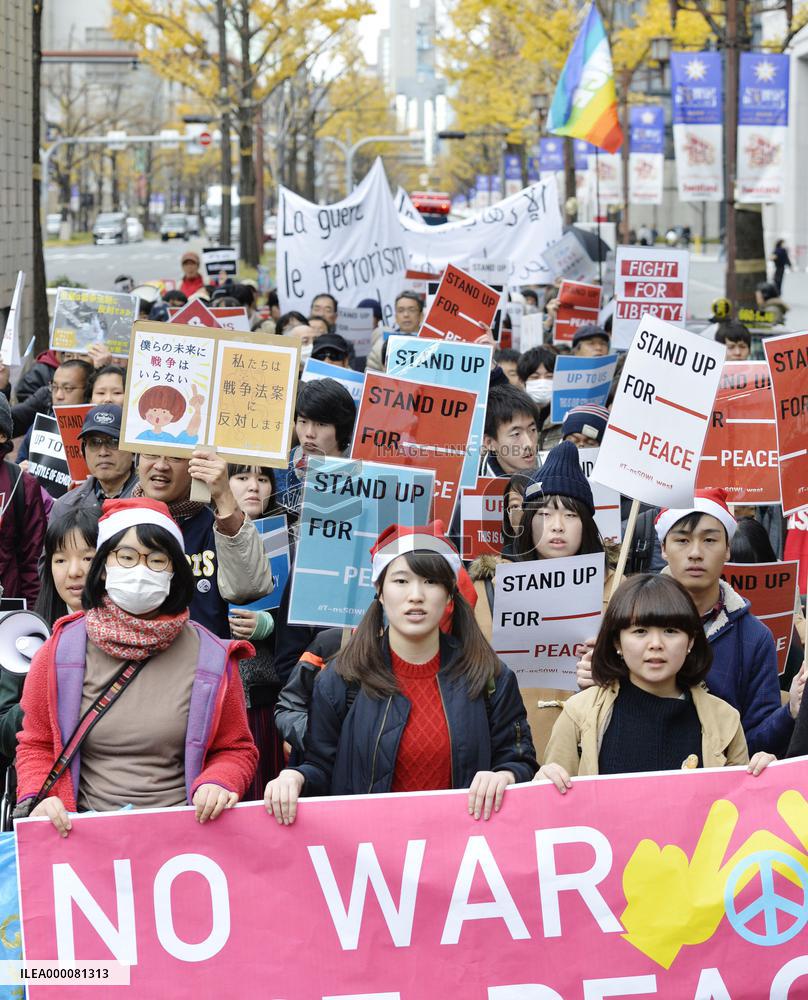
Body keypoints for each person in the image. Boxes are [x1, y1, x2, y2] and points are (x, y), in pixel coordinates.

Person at [264, 523, 537, 824]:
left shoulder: (489, 676)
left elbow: (519, 759)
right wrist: (295, 778)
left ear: (449, 595)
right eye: (401, 581)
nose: (416, 595)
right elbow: (321, 767)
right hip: (370, 857)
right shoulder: (342, 679)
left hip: (464, 856)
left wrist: (507, 775)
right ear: (380, 591)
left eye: (431, 581)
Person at [16, 498, 258, 835]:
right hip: (83, 837)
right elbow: (36, 745)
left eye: (157, 560)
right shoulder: (59, 652)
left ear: (175, 571)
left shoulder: (212, 656)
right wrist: (41, 797)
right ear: (102, 566)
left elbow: (236, 748)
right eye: (127, 557)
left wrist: (218, 782)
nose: (141, 571)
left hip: (182, 837)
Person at [578, 489, 802, 757]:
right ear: (663, 547)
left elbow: (752, 744)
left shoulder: (754, 637)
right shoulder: (626, 619)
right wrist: (597, 683)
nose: (695, 553)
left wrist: (791, 713)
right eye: (682, 540)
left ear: (728, 548)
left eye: (709, 540)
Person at [537, 574, 774, 791]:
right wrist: (541, 786)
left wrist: (766, 782)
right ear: (617, 642)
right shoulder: (579, 714)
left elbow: (738, 815)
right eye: (640, 631)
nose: (656, 644)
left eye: (670, 631)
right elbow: (554, 815)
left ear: (691, 640)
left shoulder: (725, 720)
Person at [135, 449, 273, 638]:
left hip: (203, 662)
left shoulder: (218, 525)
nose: (161, 465)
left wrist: (224, 496)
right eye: (150, 454)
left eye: (175, 456)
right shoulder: (114, 522)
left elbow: (248, 588)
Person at [0, 508, 101, 762]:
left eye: (88, 558)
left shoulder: (135, 632)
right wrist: (44, 685)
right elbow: (4, 732)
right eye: (60, 560)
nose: (74, 571)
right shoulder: (25, 633)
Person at [227, 464, 284, 794]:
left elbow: (307, 621)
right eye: (243, 477)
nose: (254, 487)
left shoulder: (283, 534)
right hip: (220, 691)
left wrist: (271, 625)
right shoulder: (209, 533)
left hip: (266, 693)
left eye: (262, 479)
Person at [275, 378, 356, 518]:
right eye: (303, 421)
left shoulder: (360, 476)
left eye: (321, 424)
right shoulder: (280, 468)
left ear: (342, 428)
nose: (309, 433)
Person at [48, 405, 137, 523]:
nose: (103, 452)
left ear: (133, 451)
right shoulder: (64, 507)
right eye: (94, 443)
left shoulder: (152, 502)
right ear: (83, 451)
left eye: (114, 442)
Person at [0, 394, 46, 604]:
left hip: (6, 614)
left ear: (2, 435)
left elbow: (32, 562)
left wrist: (31, 620)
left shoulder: (20, 484)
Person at [17, 359, 94, 463]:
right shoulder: (41, 427)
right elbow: (19, 464)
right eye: (54, 387)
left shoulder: (96, 429)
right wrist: (21, 470)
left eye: (68, 388)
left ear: (88, 391)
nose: (58, 395)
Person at [480, 384, 540, 478]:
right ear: (489, 442)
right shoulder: (473, 486)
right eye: (516, 434)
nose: (529, 443)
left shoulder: (557, 475)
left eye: (532, 430)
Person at [366, 292, 424, 372]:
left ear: (421, 315)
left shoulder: (435, 344)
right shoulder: (380, 345)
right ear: (396, 317)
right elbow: (370, 377)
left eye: (412, 310)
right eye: (401, 310)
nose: (406, 315)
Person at [516, 346, 562, 449]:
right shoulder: (512, 416)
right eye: (535, 377)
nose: (542, 382)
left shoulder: (565, 417)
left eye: (549, 377)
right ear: (522, 381)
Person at [136, 384, 205, 444]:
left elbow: (191, 432)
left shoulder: (169, 439)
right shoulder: (143, 436)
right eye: (154, 410)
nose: (158, 416)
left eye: (164, 412)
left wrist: (197, 411)